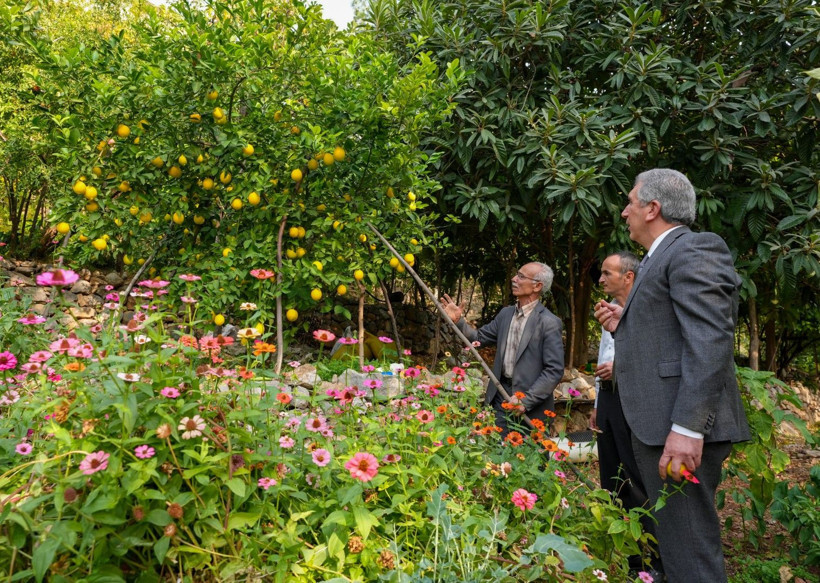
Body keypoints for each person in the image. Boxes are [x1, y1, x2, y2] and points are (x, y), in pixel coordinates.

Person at [594, 169, 750, 583]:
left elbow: (710, 340)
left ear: (652, 208)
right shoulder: (657, 258)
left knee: (690, 552)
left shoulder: (694, 248)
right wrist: (624, 326)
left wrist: (687, 428)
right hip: (658, 426)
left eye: (630, 202)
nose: (624, 211)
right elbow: (674, 335)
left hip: (677, 429)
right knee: (677, 548)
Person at [590, 251, 662, 576]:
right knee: (612, 477)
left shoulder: (647, 310)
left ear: (628, 276)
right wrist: (597, 405)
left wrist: (618, 368)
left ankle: (656, 559)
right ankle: (629, 556)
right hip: (608, 400)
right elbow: (604, 356)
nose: (601, 279)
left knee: (637, 478)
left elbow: (653, 358)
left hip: (634, 401)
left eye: (607, 273)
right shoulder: (608, 309)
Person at [441, 262, 564, 434]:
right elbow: (478, 339)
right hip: (501, 396)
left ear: (537, 286)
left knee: (527, 451)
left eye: (521, 276)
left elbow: (554, 370)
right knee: (496, 448)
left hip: (531, 406)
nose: (514, 279)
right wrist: (458, 321)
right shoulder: (506, 314)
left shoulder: (548, 322)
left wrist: (526, 400)